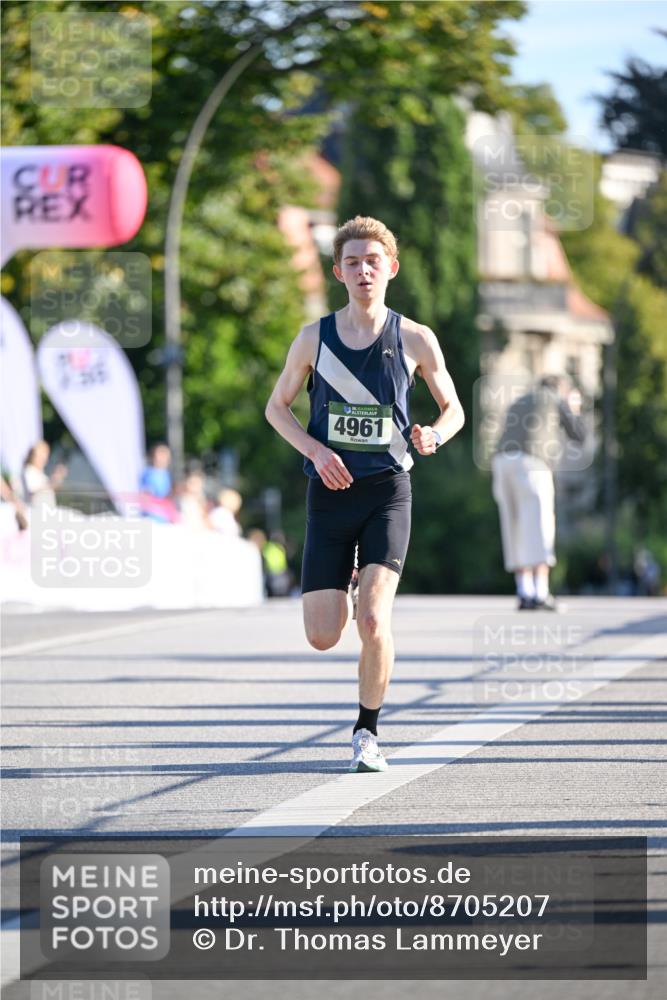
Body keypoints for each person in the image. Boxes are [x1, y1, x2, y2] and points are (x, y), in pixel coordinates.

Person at [265, 215, 464, 772]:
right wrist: (314, 451)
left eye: (372, 261)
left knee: (374, 621)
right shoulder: (314, 338)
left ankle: (366, 733)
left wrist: (434, 434)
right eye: (352, 262)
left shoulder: (414, 337)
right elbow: (275, 408)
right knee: (324, 635)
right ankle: (348, 583)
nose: (363, 270)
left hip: (387, 492)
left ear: (391, 268)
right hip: (329, 495)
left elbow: (455, 410)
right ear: (338, 272)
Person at [491, 375, 586, 610]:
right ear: (560, 388)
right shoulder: (556, 398)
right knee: (540, 527)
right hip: (532, 463)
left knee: (513, 527)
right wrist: (574, 408)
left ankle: (524, 592)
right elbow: (579, 435)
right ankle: (541, 593)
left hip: (502, 463)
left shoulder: (519, 400)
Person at [21, 440, 67, 510]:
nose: (44, 460)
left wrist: (57, 479)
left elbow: (49, 489)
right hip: (36, 513)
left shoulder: (41, 474)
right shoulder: (29, 471)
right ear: (34, 456)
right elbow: (33, 490)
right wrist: (51, 482)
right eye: (41, 457)